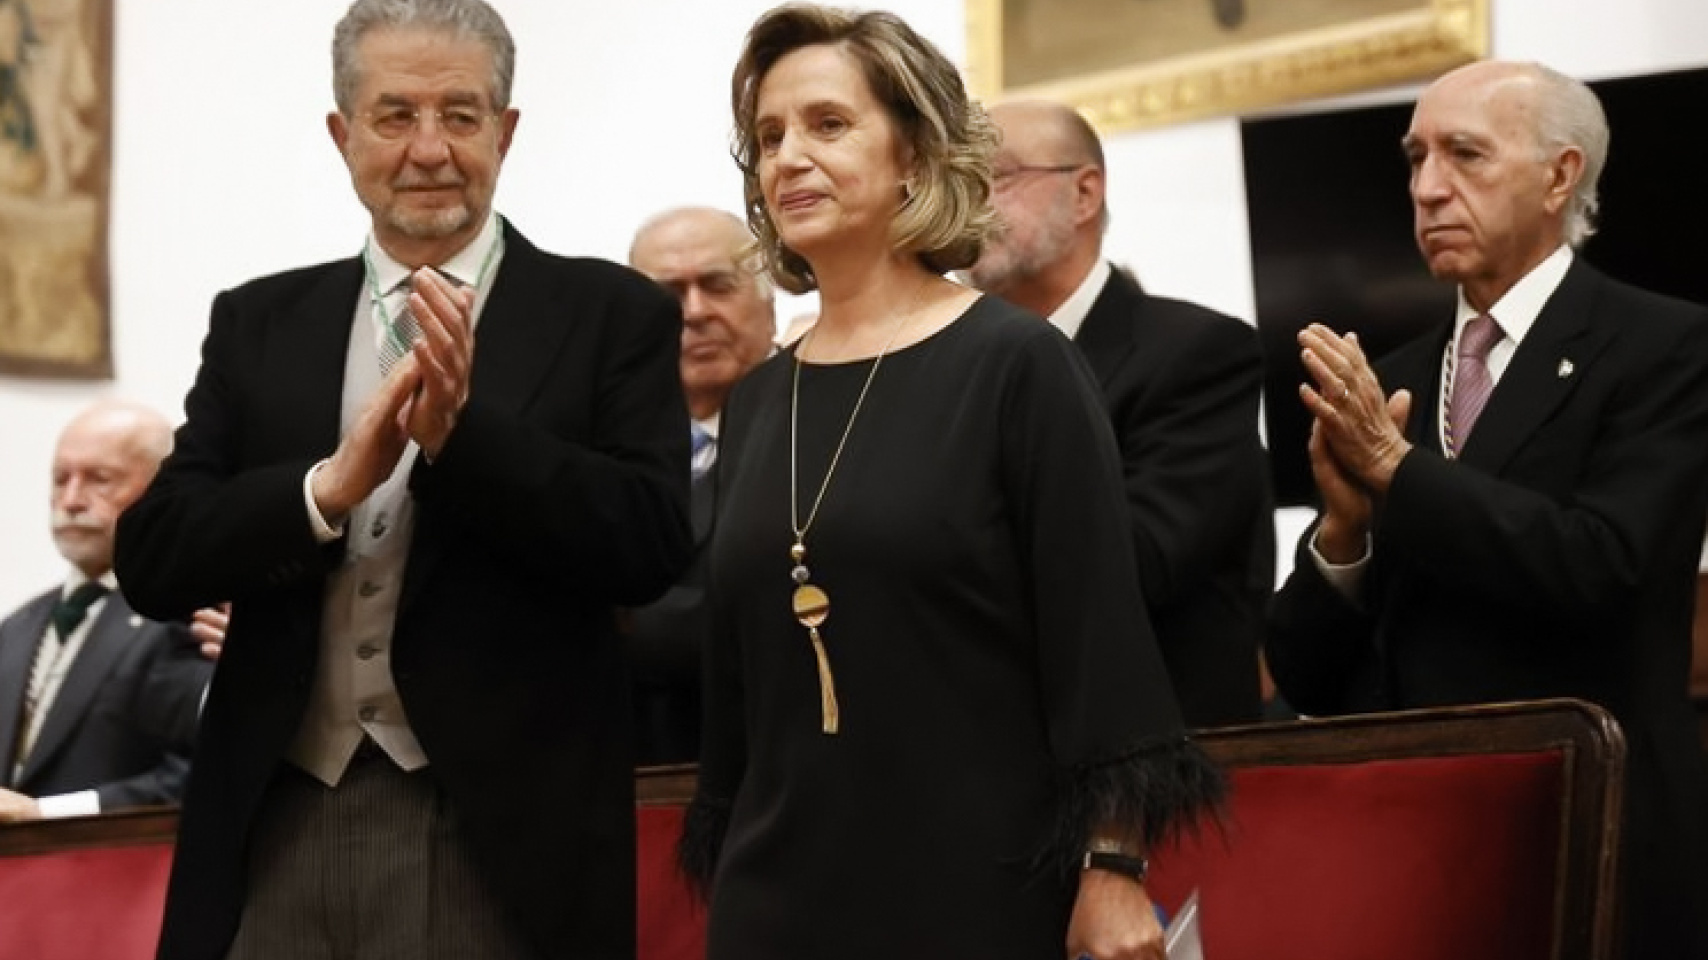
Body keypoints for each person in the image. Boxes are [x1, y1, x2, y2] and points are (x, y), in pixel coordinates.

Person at [112, 1, 692, 958]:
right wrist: (323, 492)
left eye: (461, 116)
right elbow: (155, 556)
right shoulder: (260, 322)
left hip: (503, 835)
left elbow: (647, 544)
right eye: (395, 116)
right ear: (343, 136)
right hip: (278, 814)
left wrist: (463, 440)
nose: (430, 149)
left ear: (506, 134)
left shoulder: (608, 313)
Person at [680, 7, 1222, 960]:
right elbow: (739, 689)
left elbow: (1097, 639)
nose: (788, 158)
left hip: (982, 886)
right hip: (778, 898)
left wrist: (1112, 868)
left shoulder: (1018, 365)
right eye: (769, 138)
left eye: (828, 125)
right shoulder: (763, 397)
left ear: (916, 157)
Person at [1267, 60, 1708, 960]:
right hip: (1420, 846)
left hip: (1592, 828)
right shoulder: (1387, 379)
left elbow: (1604, 564)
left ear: (1561, 175)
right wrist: (1344, 533)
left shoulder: (1666, 345)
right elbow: (1309, 678)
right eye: (1415, 157)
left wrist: (1396, 470)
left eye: (1465, 155)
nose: (1428, 188)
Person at [967, 99, 1272, 728]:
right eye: (958, 182)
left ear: (1083, 194)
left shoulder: (1197, 352)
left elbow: (1137, 564)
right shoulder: (950, 365)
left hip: (1145, 755)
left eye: (995, 178)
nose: (969, 206)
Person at [0, 400, 210, 822]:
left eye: (99, 479)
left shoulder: (193, 615)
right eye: (61, 479)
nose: (72, 500)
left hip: (128, 872)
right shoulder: (17, 627)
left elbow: (197, 773)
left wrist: (48, 813)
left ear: (159, 488)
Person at [626, 206, 776, 765]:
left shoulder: (826, 424)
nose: (694, 313)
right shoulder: (598, 442)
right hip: (629, 772)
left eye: (718, 286)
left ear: (769, 299)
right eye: (668, 296)